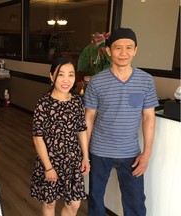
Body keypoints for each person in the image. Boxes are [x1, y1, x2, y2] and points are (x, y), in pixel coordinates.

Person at [84, 27, 159, 216]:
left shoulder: (146, 81)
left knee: (135, 203)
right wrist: (84, 154)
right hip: (99, 152)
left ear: (135, 50)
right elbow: (89, 117)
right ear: (109, 51)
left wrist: (146, 153)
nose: (123, 53)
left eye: (128, 47)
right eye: (118, 48)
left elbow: (149, 117)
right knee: (95, 200)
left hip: (131, 153)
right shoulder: (96, 82)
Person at [30, 56, 90, 216]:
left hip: (72, 161)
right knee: (50, 202)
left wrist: (85, 157)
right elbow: (37, 138)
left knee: (74, 204)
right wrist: (48, 167)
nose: (66, 79)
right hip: (50, 161)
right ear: (52, 76)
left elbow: (82, 130)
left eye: (70, 74)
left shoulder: (77, 101)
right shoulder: (43, 104)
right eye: (60, 74)